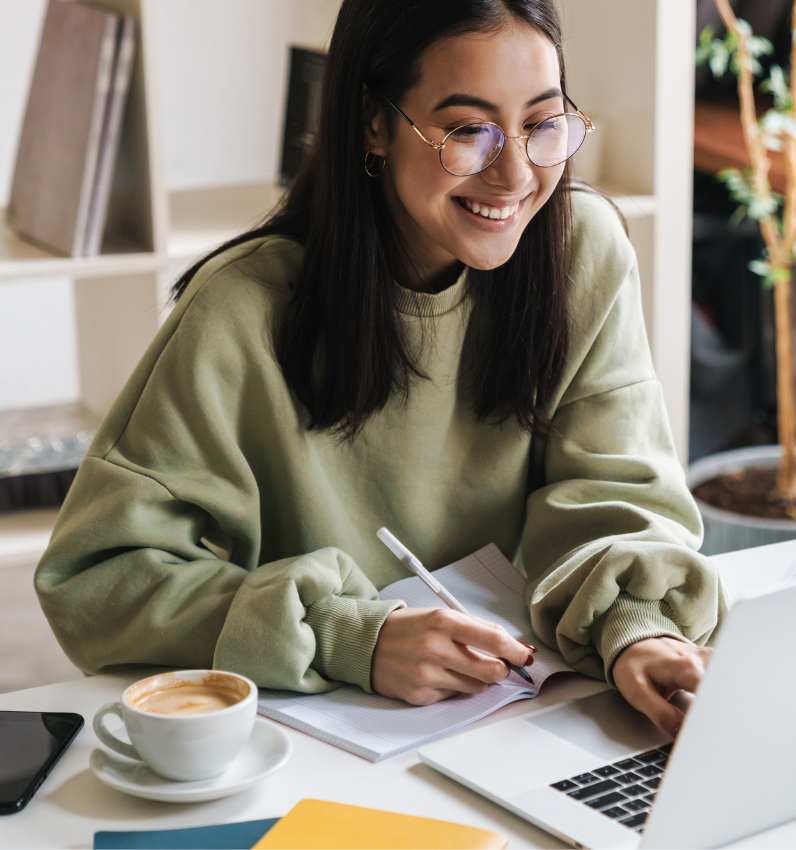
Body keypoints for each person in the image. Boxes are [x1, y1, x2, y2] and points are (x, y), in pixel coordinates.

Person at [34, 0, 725, 738]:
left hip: (536, 711)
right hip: (319, 741)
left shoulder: (581, 251)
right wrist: (345, 634)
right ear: (373, 121)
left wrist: (638, 628)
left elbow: (619, 492)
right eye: (468, 131)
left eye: (542, 123)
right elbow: (97, 580)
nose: (515, 174)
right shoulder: (242, 309)